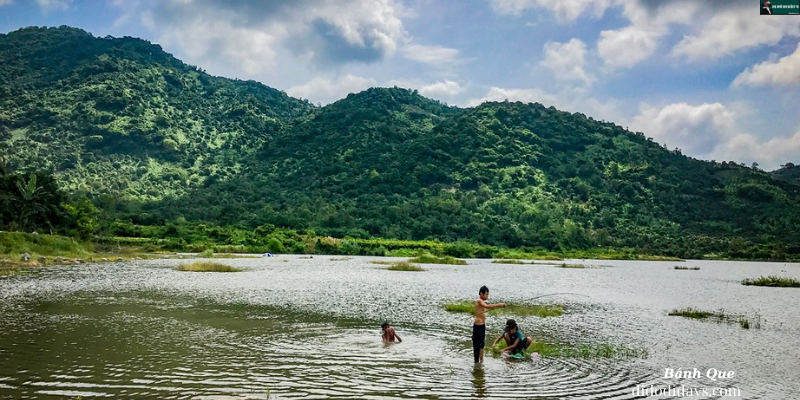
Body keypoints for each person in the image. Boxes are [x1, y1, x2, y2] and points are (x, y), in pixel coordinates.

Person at [472, 285, 506, 363]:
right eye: (486, 294)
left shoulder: (482, 301)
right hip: (478, 326)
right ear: (481, 293)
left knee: (481, 345)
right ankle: (477, 362)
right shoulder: (479, 301)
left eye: (488, 294)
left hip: (482, 326)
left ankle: (481, 361)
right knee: (477, 345)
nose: (487, 296)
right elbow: (488, 306)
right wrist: (500, 305)